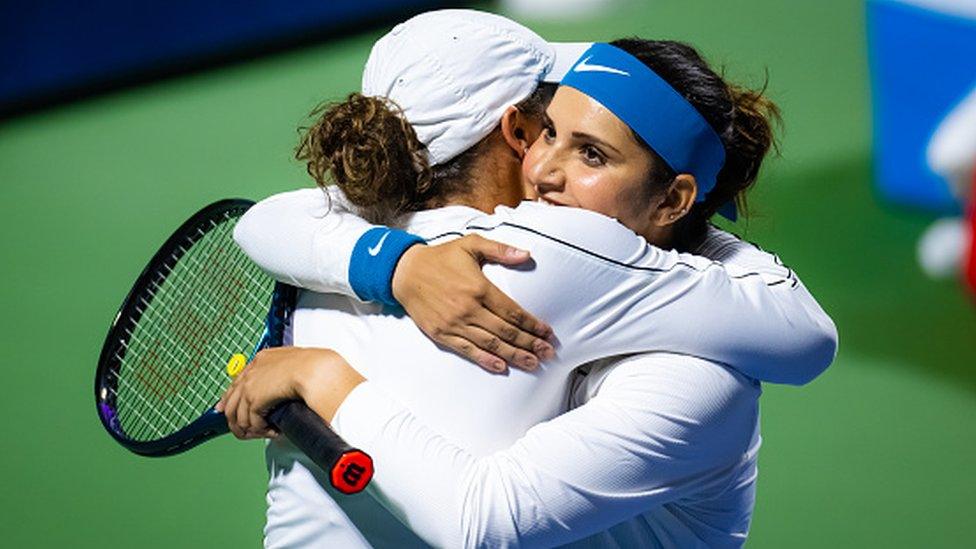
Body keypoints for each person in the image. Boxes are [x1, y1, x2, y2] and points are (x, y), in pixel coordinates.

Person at [222, 10, 836, 548]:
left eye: (590, 152)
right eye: (548, 132)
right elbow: (803, 335)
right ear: (515, 131)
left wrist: (322, 367)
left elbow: (265, 219)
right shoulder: (548, 249)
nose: (545, 168)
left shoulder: (320, 255)